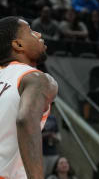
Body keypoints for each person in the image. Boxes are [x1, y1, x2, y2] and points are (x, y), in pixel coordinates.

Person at [0, 16, 58, 179]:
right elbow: (26, 119)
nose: (38, 34)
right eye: (31, 31)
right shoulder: (35, 78)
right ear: (18, 45)